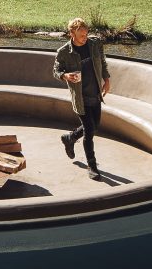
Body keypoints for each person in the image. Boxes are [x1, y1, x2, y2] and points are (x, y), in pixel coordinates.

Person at [53, 17, 111, 180]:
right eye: (81, 35)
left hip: (95, 94)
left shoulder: (95, 44)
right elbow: (56, 71)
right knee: (89, 131)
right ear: (72, 34)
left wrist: (106, 80)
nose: (85, 37)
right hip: (80, 97)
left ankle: (70, 138)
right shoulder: (64, 52)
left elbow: (103, 63)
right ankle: (92, 166)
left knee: (95, 126)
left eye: (86, 34)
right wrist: (65, 75)